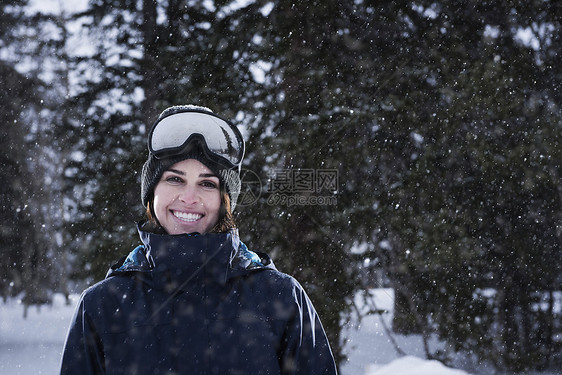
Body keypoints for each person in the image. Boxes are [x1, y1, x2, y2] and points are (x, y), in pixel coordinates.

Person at [59, 105, 338, 374]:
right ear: (151, 193)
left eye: (207, 183)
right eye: (175, 179)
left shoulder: (281, 297)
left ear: (225, 200)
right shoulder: (102, 305)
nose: (189, 198)